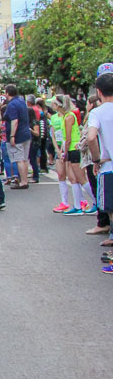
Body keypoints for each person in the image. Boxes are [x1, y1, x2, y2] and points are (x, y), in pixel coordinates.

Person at [85, 71, 113, 269]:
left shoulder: (97, 112)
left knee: (111, 212)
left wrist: (96, 159)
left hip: (109, 167)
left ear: (99, 91)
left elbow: (91, 137)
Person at [55, 95, 95, 215]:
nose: (53, 106)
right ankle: (77, 206)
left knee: (81, 178)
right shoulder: (65, 117)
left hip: (74, 149)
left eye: (55, 103)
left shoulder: (69, 117)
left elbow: (68, 138)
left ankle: (96, 201)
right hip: (71, 149)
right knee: (73, 179)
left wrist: (64, 152)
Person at [3, 85, 32, 189]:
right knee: (24, 159)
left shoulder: (11, 105)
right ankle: (25, 179)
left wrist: (12, 136)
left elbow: (14, 121)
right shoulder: (21, 102)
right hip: (25, 133)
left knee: (19, 159)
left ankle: (23, 181)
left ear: (7, 93)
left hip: (18, 134)